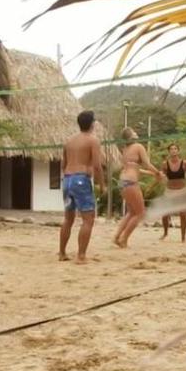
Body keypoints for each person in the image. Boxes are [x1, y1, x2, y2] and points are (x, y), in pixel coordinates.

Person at [58, 110, 105, 264]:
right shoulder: (92, 140)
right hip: (81, 179)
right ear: (92, 123)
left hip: (67, 179)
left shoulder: (69, 141)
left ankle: (62, 253)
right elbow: (97, 166)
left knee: (68, 218)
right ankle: (81, 256)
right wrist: (102, 184)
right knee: (88, 219)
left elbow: (63, 165)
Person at [113, 127, 163, 248]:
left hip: (122, 181)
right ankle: (124, 239)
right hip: (131, 181)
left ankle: (117, 237)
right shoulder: (139, 146)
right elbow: (147, 163)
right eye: (134, 131)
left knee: (131, 212)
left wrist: (151, 173)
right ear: (131, 136)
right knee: (140, 213)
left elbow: (133, 167)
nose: (136, 133)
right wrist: (157, 173)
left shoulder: (125, 149)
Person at [159, 143, 186, 242]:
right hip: (169, 191)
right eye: (171, 149)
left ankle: (183, 237)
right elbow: (160, 176)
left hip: (182, 190)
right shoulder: (165, 164)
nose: (173, 150)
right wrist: (152, 186)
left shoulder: (184, 163)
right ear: (169, 152)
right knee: (164, 214)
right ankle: (165, 233)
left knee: (183, 214)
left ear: (178, 151)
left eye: (175, 149)